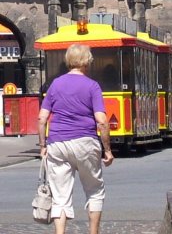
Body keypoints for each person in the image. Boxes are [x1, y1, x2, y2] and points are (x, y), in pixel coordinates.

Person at [37, 43, 114, 234]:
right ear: (87, 62)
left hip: (57, 142)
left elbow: (42, 118)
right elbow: (102, 121)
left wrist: (42, 145)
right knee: (94, 190)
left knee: (60, 196)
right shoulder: (92, 86)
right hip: (85, 142)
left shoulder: (55, 84)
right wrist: (107, 150)